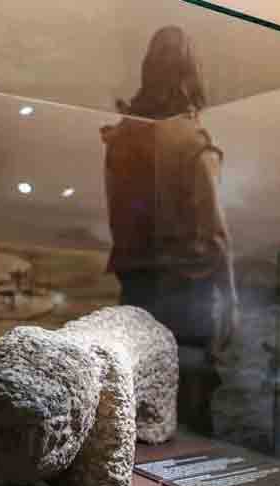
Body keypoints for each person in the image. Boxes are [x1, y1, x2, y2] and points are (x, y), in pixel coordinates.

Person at [100, 26, 237, 435]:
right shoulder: (190, 138)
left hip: (136, 290)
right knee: (191, 408)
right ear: (190, 72)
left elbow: (117, 217)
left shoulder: (122, 136)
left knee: (138, 403)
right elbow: (214, 233)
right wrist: (231, 299)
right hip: (187, 297)